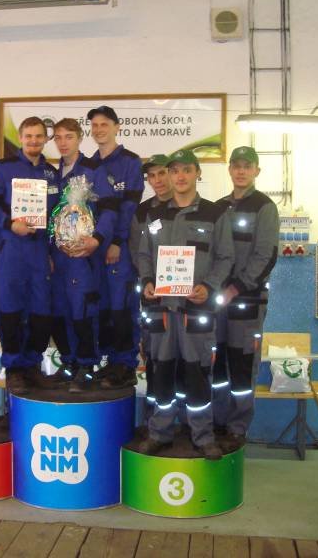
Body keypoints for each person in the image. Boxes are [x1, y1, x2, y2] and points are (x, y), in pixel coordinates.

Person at [137, 149, 234, 460]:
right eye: (174, 171)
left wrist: (209, 287)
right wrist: (148, 280)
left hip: (197, 311)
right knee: (161, 371)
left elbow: (226, 257)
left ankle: (203, 436)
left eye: (186, 170)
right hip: (162, 310)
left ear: (197, 173)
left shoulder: (214, 214)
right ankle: (159, 433)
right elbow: (144, 254)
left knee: (198, 373)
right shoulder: (155, 216)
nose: (180, 176)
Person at [0, 117, 59, 394]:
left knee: (41, 312)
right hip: (12, 248)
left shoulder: (51, 173)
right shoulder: (4, 168)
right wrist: (9, 224)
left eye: (38, 136)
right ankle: (13, 368)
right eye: (28, 136)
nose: (33, 141)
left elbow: (56, 215)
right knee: (10, 311)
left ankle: (32, 366)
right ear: (21, 138)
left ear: (45, 139)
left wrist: (51, 251)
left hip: (39, 251)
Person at [212, 146, 280, 454]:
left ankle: (237, 428)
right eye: (236, 166)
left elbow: (266, 255)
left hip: (247, 303)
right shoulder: (217, 207)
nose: (241, 171)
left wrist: (236, 288)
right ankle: (216, 422)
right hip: (216, 302)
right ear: (229, 169)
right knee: (216, 365)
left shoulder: (264, 207)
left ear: (256, 171)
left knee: (242, 367)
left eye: (247, 166)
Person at [47, 118, 118, 392]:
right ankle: (69, 362)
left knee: (82, 309)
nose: (63, 143)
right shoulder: (52, 175)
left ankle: (87, 366)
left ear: (79, 138)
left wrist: (97, 240)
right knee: (58, 309)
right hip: (58, 254)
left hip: (83, 254)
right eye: (58, 138)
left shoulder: (93, 170)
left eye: (69, 137)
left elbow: (110, 209)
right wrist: (47, 251)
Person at [88, 105, 144, 389]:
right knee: (103, 307)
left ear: (117, 127)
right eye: (94, 125)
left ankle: (126, 364)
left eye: (104, 124)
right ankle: (110, 362)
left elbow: (130, 208)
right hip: (94, 248)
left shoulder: (131, 162)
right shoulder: (89, 164)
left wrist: (117, 242)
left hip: (118, 248)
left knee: (122, 306)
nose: (99, 130)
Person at [129, 154, 172, 414]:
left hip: (189, 301)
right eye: (151, 176)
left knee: (188, 362)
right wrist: (148, 280)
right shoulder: (142, 212)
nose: (157, 180)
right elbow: (138, 252)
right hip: (153, 298)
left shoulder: (197, 210)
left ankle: (187, 423)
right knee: (154, 357)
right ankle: (153, 421)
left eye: (162, 173)